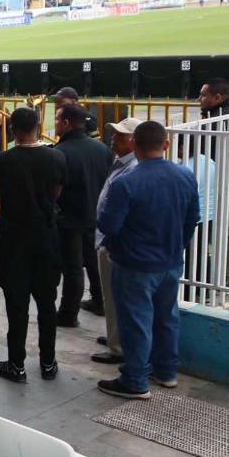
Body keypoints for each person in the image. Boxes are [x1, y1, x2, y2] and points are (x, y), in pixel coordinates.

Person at [96, 121, 199, 400]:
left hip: (135, 264)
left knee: (136, 322)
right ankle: (166, 371)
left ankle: (135, 380)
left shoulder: (126, 183)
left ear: (134, 144)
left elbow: (108, 225)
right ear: (166, 144)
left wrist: (117, 249)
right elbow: (192, 219)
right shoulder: (185, 175)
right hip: (169, 261)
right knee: (166, 317)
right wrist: (177, 246)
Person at [0, 107, 67, 383]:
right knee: (47, 302)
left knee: (16, 304)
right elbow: (56, 192)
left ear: (12, 130)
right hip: (46, 236)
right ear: (38, 126)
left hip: (13, 238)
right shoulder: (56, 157)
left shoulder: (1, 160)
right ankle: (48, 362)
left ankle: (16, 364)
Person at [53, 103, 112, 325]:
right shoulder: (102, 149)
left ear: (66, 123)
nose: (55, 124)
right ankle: (100, 302)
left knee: (73, 267)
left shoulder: (60, 153)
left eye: (57, 119)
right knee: (94, 263)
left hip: (69, 218)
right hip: (95, 216)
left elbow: (55, 190)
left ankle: (68, 313)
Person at [92, 117, 141, 365]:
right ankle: (116, 336)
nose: (114, 139)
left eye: (121, 136)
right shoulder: (121, 162)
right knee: (111, 296)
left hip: (115, 243)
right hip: (109, 241)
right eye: (115, 134)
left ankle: (118, 347)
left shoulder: (132, 168)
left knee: (115, 298)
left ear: (134, 141)